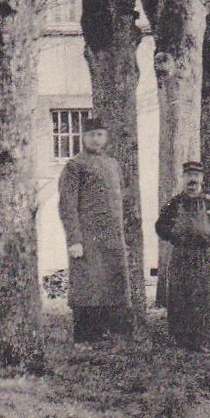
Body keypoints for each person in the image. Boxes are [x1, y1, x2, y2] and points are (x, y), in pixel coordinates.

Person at [57, 116, 131, 342]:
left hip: (111, 238)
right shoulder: (75, 166)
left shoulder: (112, 164)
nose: (96, 139)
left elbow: (121, 199)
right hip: (88, 239)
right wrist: (74, 240)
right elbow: (67, 206)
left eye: (100, 134)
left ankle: (111, 334)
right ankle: (86, 337)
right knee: (88, 287)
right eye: (91, 135)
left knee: (112, 285)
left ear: (106, 137)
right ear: (83, 137)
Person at [154, 160, 210, 351]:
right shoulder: (173, 203)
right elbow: (160, 227)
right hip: (181, 256)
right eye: (189, 176)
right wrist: (175, 235)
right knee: (180, 296)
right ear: (183, 179)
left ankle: (204, 339)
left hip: (204, 256)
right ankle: (181, 341)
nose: (192, 180)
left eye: (196, 176)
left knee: (204, 297)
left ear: (201, 179)